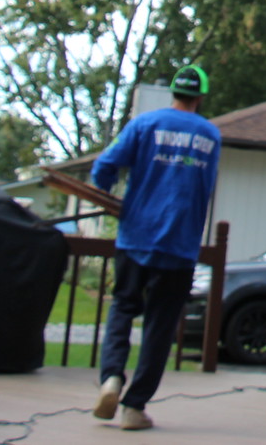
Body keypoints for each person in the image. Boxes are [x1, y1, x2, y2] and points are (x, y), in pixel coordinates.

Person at [90, 64, 222, 431]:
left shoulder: (145, 124)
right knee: (160, 327)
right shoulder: (210, 135)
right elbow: (206, 188)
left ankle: (111, 378)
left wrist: (108, 192)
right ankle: (134, 407)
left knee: (122, 308)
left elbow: (104, 166)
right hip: (179, 246)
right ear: (200, 95)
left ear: (174, 92)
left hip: (136, 237)